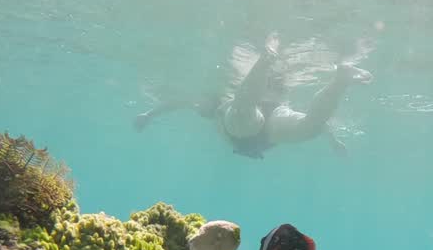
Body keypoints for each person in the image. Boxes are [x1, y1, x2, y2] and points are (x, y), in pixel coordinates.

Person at [132, 35, 372, 158]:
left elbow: (180, 102)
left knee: (243, 114)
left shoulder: (219, 109)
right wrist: (149, 114)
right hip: (269, 129)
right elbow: (180, 102)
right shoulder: (212, 101)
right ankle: (340, 80)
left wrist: (149, 114)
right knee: (308, 127)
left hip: (253, 124)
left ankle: (267, 58)